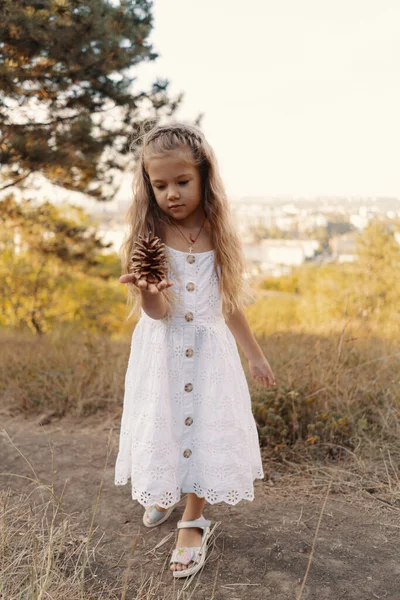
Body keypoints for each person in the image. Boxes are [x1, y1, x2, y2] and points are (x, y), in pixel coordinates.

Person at [114, 121, 276, 579]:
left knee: (205, 425)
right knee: (165, 420)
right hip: (163, 349)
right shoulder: (151, 231)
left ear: (204, 175)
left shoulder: (216, 231)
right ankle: (163, 489)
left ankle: (192, 517)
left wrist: (255, 354)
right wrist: (148, 291)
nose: (171, 194)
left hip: (209, 351)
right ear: (148, 185)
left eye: (182, 182)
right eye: (159, 184)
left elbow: (229, 306)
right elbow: (159, 311)